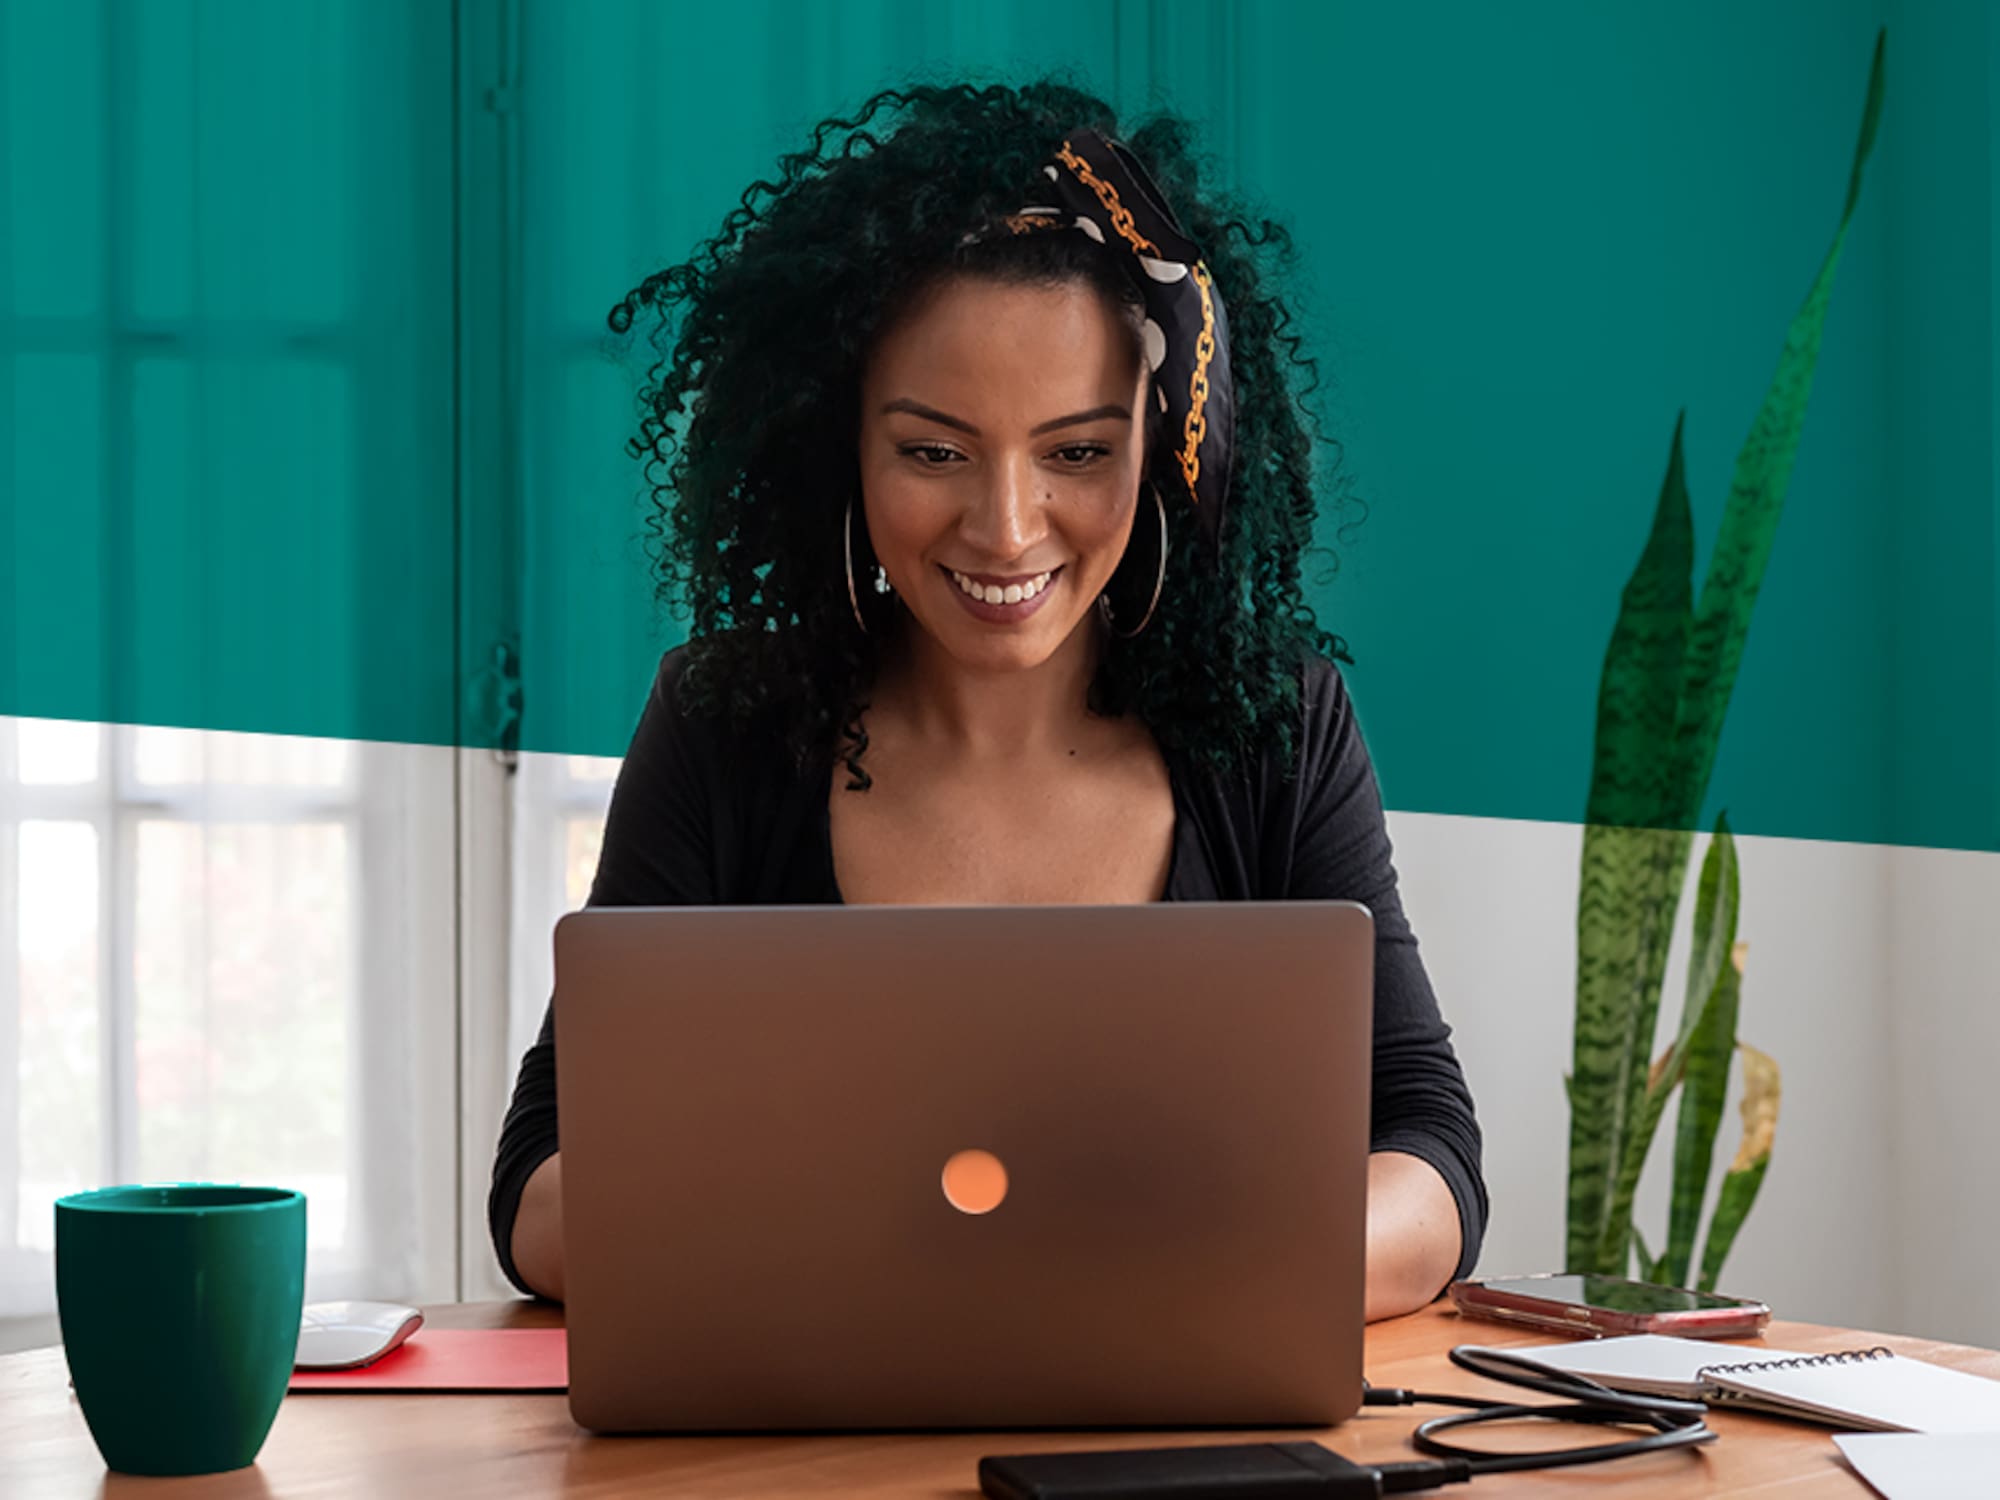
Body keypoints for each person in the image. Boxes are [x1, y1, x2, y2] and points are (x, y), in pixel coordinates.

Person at [491, 78, 1486, 1322]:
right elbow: (541, 1190)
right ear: (837, 446)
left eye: (1075, 452)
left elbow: (1428, 1157)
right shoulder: (721, 725)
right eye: (932, 451)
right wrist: (895, 1271)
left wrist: (1165, 1280)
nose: (1005, 529)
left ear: (1168, 444)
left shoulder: (1277, 728)